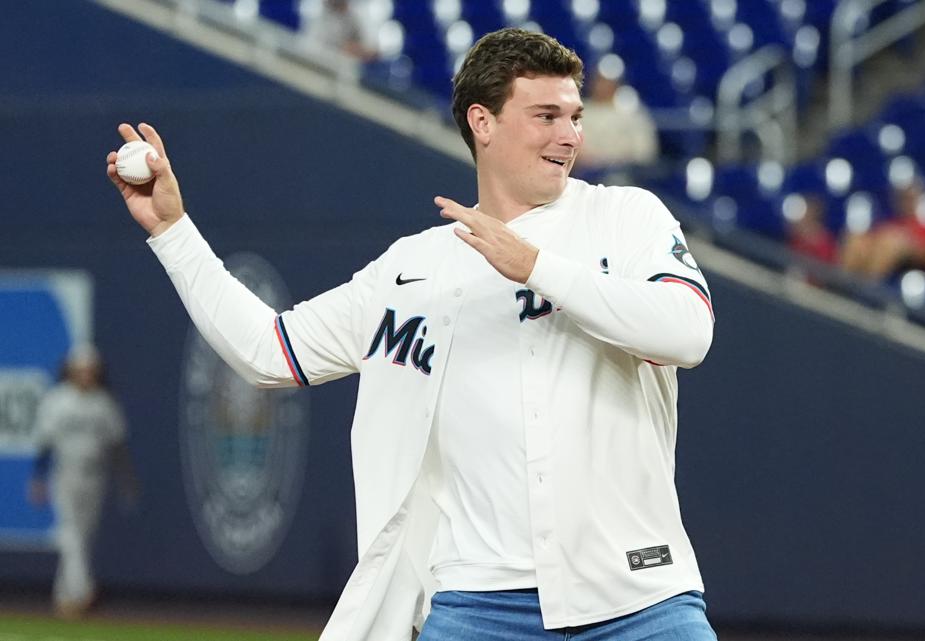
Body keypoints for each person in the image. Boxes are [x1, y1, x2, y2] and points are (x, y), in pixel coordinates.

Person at [105, 28, 716, 641]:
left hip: (639, 595)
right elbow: (269, 351)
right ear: (482, 122)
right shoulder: (412, 269)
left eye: (575, 117)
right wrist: (173, 232)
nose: (571, 136)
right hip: (478, 603)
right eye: (546, 116)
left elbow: (689, 332)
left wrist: (536, 267)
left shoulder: (624, 217)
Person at [26, 344, 135, 619]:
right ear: (70, 371)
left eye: (90, 370)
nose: (86, 375)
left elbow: (117, 445)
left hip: (96, 475)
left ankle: (64, 597)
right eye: (81, 370)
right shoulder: (58, 400)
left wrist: (125, 479)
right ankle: (83, 588)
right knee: (71, 533)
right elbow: (45, 443)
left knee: (83, 537)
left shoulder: (103, 403)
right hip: (65, 473)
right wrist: (38, 477)